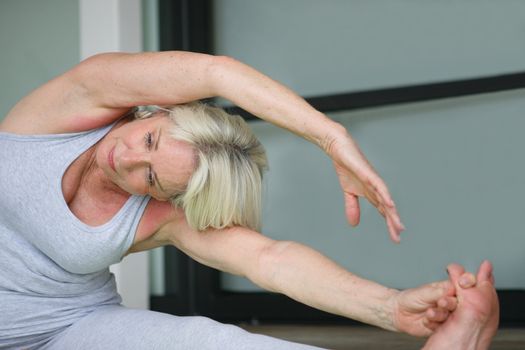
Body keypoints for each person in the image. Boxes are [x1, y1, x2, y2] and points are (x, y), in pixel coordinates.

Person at [0, 51, 497, 349]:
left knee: (212, 345)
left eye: (149, 178)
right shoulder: (68, 109)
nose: (125, 159)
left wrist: (391, 309)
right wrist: (330, 137)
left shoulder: (160, 217)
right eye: (149, 140)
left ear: (167, 197)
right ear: (152, 112)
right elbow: (217, 74)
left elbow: (269, 259)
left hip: (69, 330)